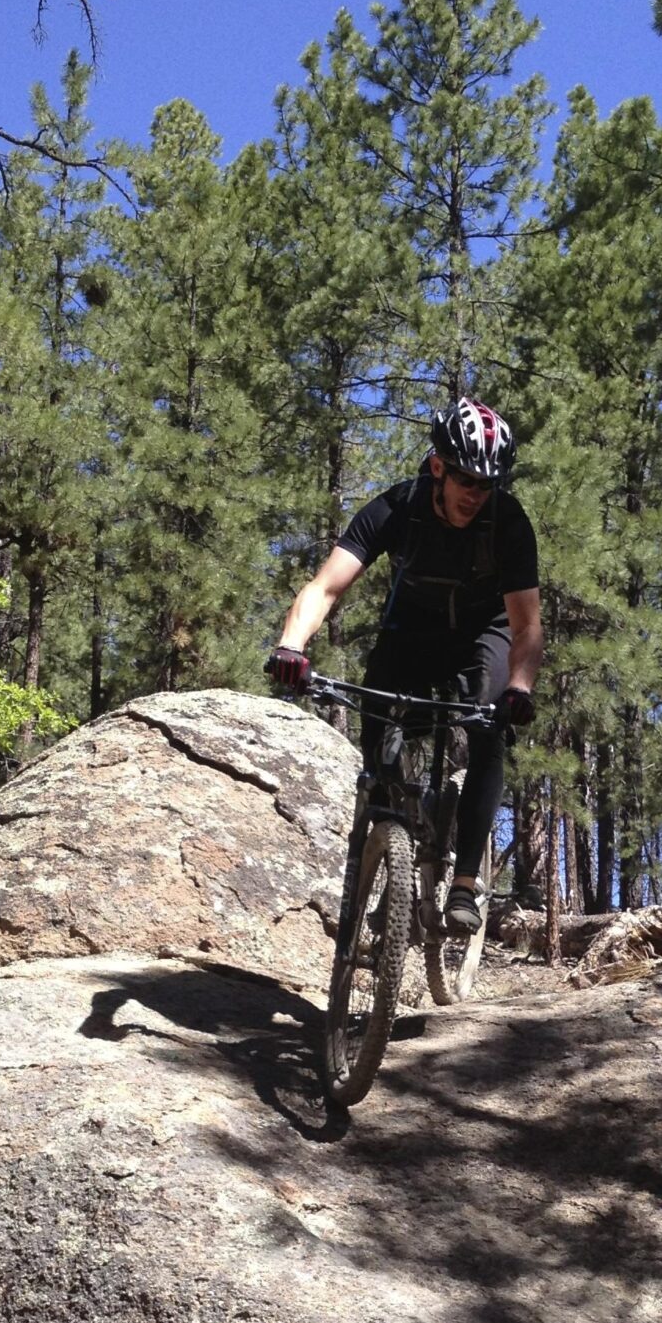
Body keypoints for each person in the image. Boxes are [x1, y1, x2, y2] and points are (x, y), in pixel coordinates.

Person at [266, 399, 543, 935]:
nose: (474, 494)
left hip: (482, 634)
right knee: (379, 727)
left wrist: (519, 686)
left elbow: (527, 626)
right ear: (438, 466)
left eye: (486, 485)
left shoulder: (507, 523)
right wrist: (292, 647)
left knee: (489, 727)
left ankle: (464, 881)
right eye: (465, 479)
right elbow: (325, 587)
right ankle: (390, 860)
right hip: (411, 631)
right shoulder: (395, 509)